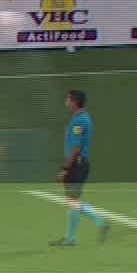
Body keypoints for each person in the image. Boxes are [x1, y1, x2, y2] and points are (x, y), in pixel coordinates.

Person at [51, 90, 110, 247]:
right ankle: (95, 226)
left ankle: (76, 237)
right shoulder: (83, 117)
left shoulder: (79, 121)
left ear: (75, 102)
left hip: (76, 165)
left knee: (73, 201)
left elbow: (76, 149)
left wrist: (65, 168)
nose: (66, 103)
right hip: (78, 164)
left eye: (68, 100)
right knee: (73, 201)